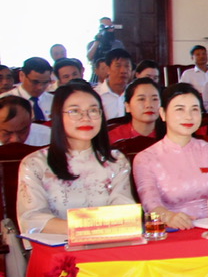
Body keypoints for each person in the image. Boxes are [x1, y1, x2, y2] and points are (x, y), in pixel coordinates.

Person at [17, 81, 134, 236]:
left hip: (108, 244)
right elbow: (33, 219)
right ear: (58, 116)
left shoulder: (116, 161)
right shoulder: (35, 164)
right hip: (58, 246)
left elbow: (124, 211)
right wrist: (86, 229)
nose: (85, 118)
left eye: (93, 110)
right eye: (74, 111)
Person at [133, 84, 208, 228]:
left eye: (194, 109)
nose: (189, 117)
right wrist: (168, 216)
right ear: (163, 114)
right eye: (180, 109)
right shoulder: (146, 158)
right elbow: (150, 204)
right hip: (171, 229)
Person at [108, 77, 163, 143]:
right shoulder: (112, 138)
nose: (149, 105)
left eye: (155, 99)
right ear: (128, 106)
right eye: (141, 99)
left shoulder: (169, 135)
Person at [4, 57, 54, 122]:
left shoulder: (54, 101)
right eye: (35, 82)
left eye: (45, 82)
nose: (40, 87)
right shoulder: (4, 101)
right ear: (22, 75)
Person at [95, 48, 133, 119]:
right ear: (108, 69)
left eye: (127, 66)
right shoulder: (96, 95)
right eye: (118, 66)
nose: (123, 71)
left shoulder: (135, 94)